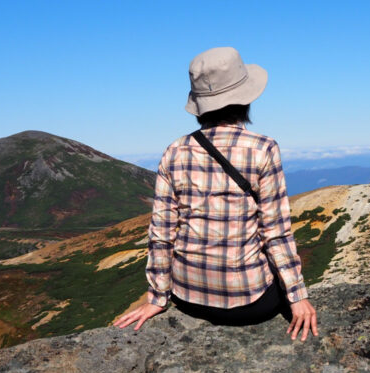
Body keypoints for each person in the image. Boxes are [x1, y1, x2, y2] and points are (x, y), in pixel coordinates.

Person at [115, 46, 318, 341]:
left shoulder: (174, 151)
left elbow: (161, 233)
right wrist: (297, 296)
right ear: (245, 99)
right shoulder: (263, 148)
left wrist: (157, 298)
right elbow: (275, 233)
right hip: (249, 302)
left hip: (188, 298)